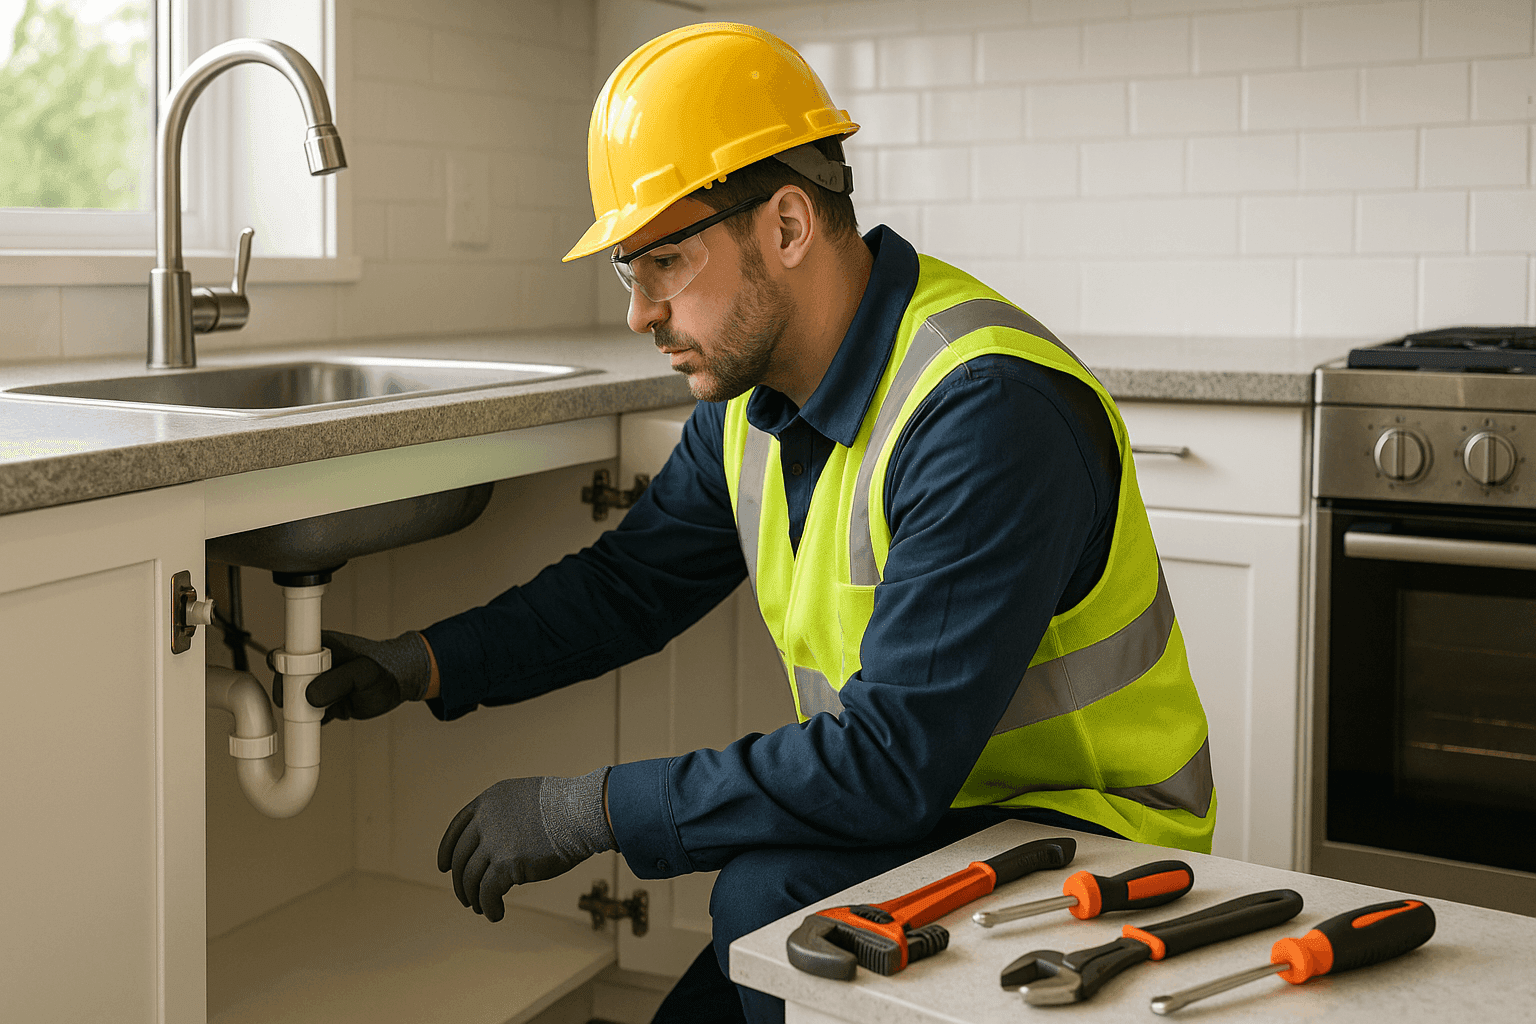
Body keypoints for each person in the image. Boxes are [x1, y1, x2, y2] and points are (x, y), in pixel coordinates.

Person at [287, 23, 1215, 1024]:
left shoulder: (984, 412)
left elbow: (889, 761)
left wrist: (586, 808)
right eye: (628, 271)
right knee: (741, 947)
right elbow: (629, 586)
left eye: (665, 262)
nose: (640, 313)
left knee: (762, 896)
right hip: (935, 817)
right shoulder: (748, 406)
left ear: (785, 226)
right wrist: (425, 660)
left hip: (1091, 850)